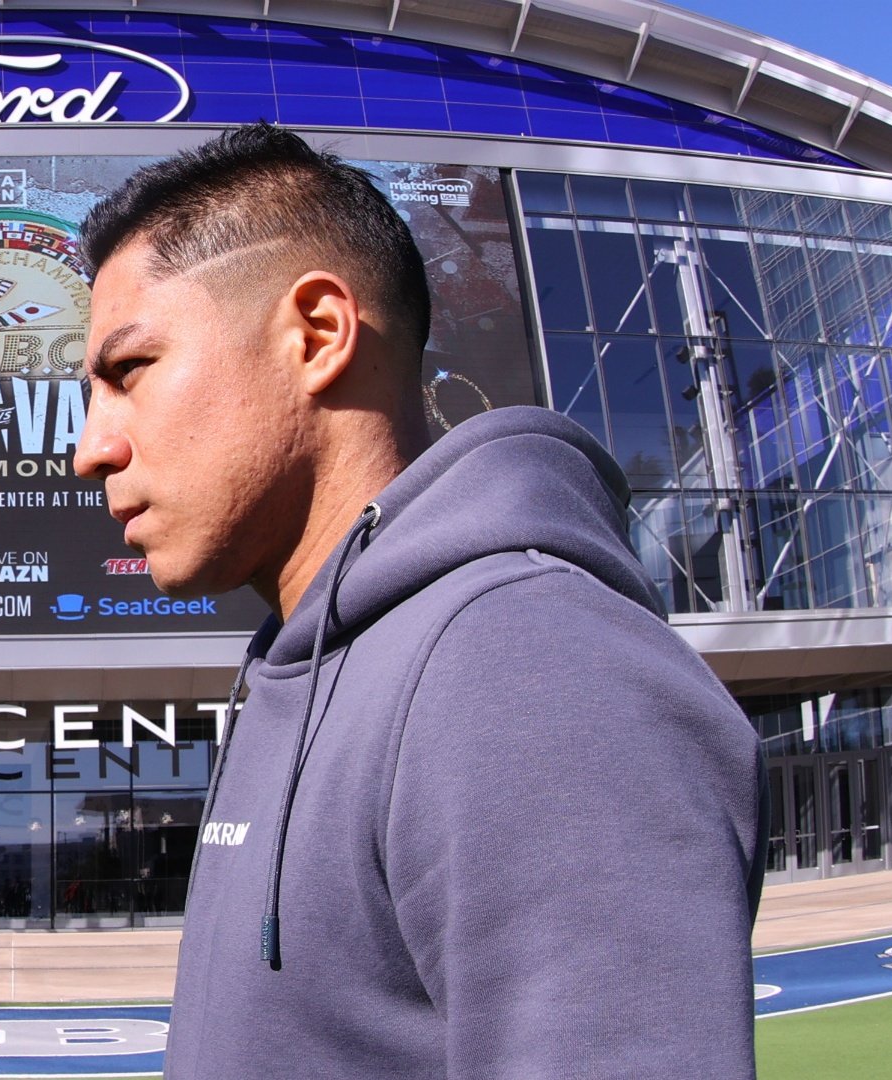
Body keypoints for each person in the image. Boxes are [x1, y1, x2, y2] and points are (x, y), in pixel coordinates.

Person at [73, 123, 764, 1078]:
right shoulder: (317, 663)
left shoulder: (528, 663)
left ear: (317, 334)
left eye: (128, 372)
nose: (91, 448)